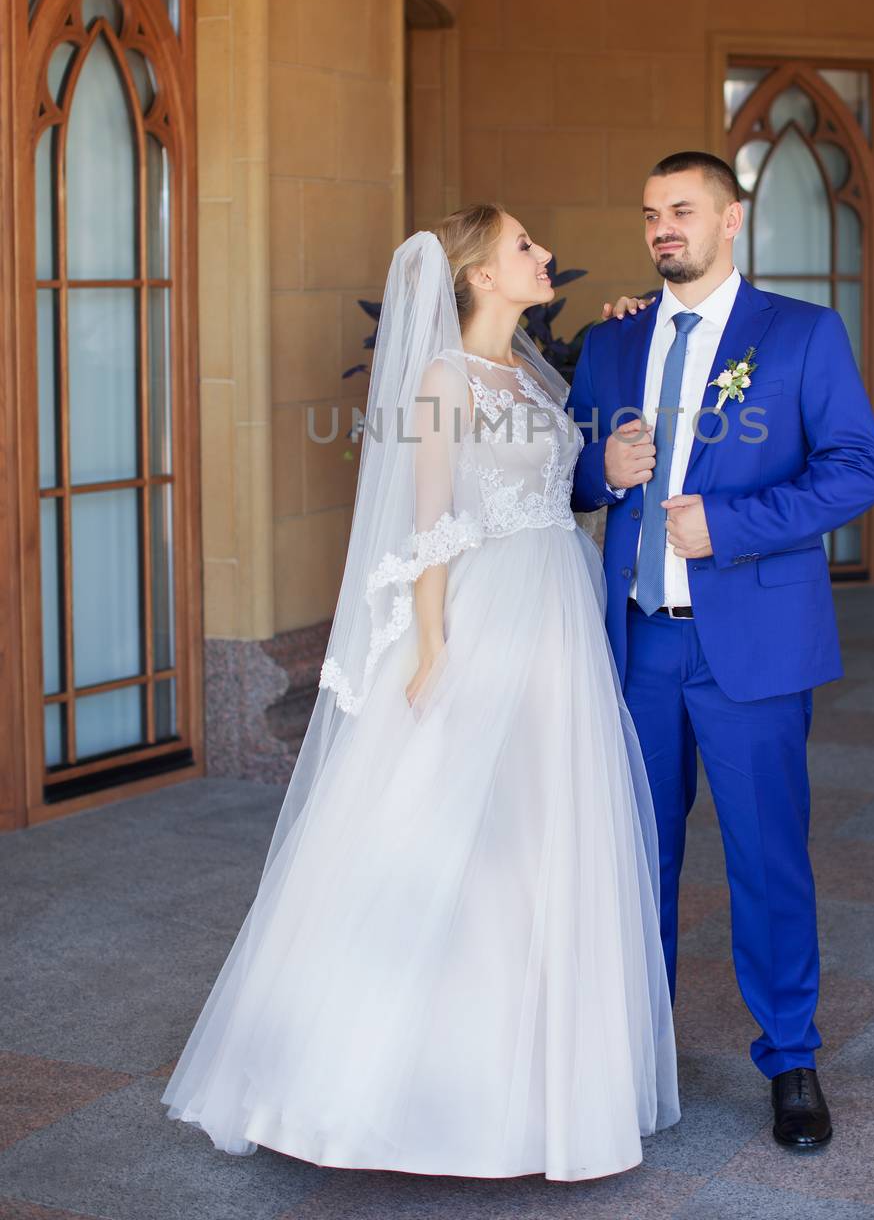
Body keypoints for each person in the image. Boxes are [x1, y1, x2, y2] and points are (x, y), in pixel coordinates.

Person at [161, 205, 679, 1181]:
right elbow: (429, 522)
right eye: (523, 246)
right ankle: (374, 1085)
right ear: (480, 274)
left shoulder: (529, 369)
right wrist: (433, 645)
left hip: (555, 617)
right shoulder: (441, 379)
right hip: (488, 612)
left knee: (540, 833)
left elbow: (554, 479)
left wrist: (613, 405)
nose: (543, 255)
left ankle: (536, 1086)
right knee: (448, 830)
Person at [570, 151, 874, 1151]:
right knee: (635, 861)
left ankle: (789, 1057)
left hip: (748, 643)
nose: (662, 227)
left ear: (731, 218)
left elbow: (856, 470)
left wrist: (733, 524)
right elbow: (563, 473)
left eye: (682, 209)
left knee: (764, 858)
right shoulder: (610, 342)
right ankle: (633, 1053)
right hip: (637, 649)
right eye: (649, 212)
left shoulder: (799, 333)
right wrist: (599, 465)